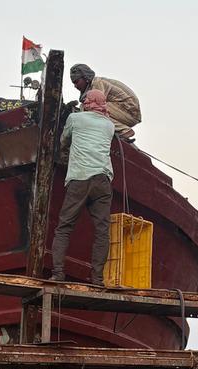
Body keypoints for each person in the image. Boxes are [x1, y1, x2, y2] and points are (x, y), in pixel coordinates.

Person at [49, 89, 115, 285]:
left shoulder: (75, 118)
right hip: (103, 181)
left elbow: (63, 142)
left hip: (80, 178)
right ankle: (97, 279)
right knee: (102, 231)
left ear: (88, 101)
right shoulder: (110, 125)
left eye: (85, 99)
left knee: (64, 227)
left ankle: (58, 274)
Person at [69, 63, 141, 140]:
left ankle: (124, 130)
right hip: (122, 110)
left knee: (92, 108)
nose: (75, 86)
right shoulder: (92, 86)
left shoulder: (97, 83)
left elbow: (95, 108)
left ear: (85, 77)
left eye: (76, 82)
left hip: (129, 112)